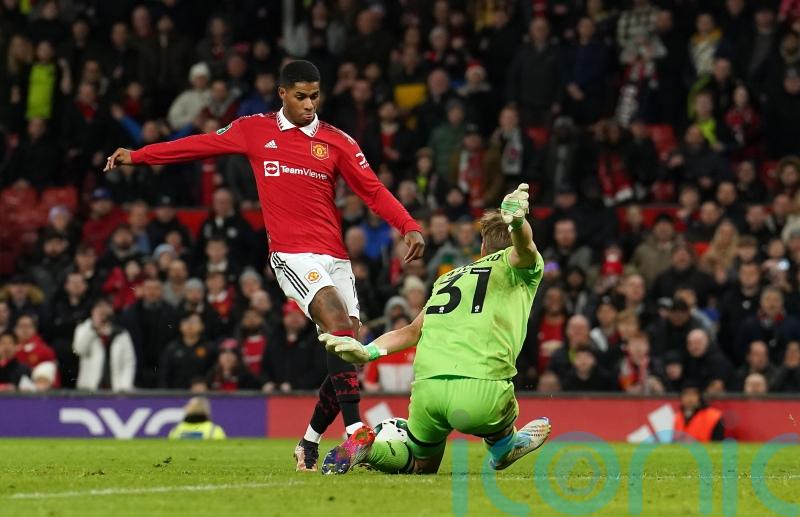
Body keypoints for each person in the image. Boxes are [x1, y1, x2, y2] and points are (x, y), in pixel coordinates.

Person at [104, 60, 425, 471]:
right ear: (283, 94)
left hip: (335, 257)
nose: (310, 104)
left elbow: (374, 191)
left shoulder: (337, 141)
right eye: (301, 96)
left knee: (348, 351)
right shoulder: (254, 129)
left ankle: (309, 442)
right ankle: (353, 432)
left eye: (315, 96)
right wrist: (139, 156)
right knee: (336, 322)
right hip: (291, 254)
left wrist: (408, 226)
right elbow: (197, 145)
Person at [319, 184, 550, 475]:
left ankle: (371, 448)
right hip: (481, 391)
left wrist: (368, 351)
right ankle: (505, 446)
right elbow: (525, 249)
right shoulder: (517, 266)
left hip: (428, 391)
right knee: (501, 422)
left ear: (482, 247)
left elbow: (413, 330)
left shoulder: (449, 278)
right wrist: (518, 223)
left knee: (420, 463)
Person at [73, 298, 136, 392]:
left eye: (106, 308)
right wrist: (94, 329)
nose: (102, 311)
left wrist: (125, 386)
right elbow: (79, 349)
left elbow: (129, 362)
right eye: (99, 308)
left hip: (116, 388)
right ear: (92, 311)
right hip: (89, 389)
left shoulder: (121, 333)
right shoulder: (83, 328)